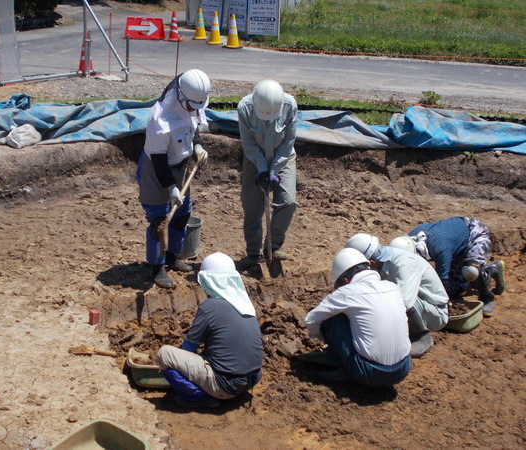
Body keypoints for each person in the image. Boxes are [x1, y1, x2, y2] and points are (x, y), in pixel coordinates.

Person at [157, 252, 263, 408]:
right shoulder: (245, 304)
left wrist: (180, 365)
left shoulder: (210, 307)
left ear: (207, 281)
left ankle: (200, 397)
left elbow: (189, 348)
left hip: (226, 386)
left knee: (165, 355)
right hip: (251, 379)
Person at [137, 69, 210, 288]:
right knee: (160, 220)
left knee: (182, 213)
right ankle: (157, 267)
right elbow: (159, 160)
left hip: (180, 166)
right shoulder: (160, 119)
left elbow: (194, 122)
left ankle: (172, 255)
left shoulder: (194, 99)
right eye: (190, 105)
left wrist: (197, 145)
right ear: (180, 95)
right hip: (156, 169)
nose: (193, 109)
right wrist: (170, 187)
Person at [305, 248, 412, 387]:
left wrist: (322, 337)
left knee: (333, 319)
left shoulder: (348, 292)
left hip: (368, 373)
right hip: (403, 368)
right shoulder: (392, 287)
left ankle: (342, 369)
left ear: (345, 280)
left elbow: (312, 319)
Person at [346, 233, 449, 358]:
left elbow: (404, 303)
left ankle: (421, 338)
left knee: (399, 300)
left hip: (435, 313)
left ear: (371, 261)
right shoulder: (382, 263)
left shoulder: (405, 264)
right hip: (416, 308)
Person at [236, 80, 298, 269]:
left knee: (288, 202)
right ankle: (253, 252)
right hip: (254, 158)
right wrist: (262, 168)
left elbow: (288, 141)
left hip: (283, 156)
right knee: (252, 206)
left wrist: (274, 170)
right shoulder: (244, 108)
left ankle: (273, 245)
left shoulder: (289, 105)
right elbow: (249, 144)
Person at [390, 217, 506, 317]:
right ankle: (490, 270)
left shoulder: (440, 249)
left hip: (474, 232)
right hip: (455, 244)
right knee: (455, 291)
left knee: (471, 272)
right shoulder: (408, 240)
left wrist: (443, 307)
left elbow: (442, 281)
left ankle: (487, 295)